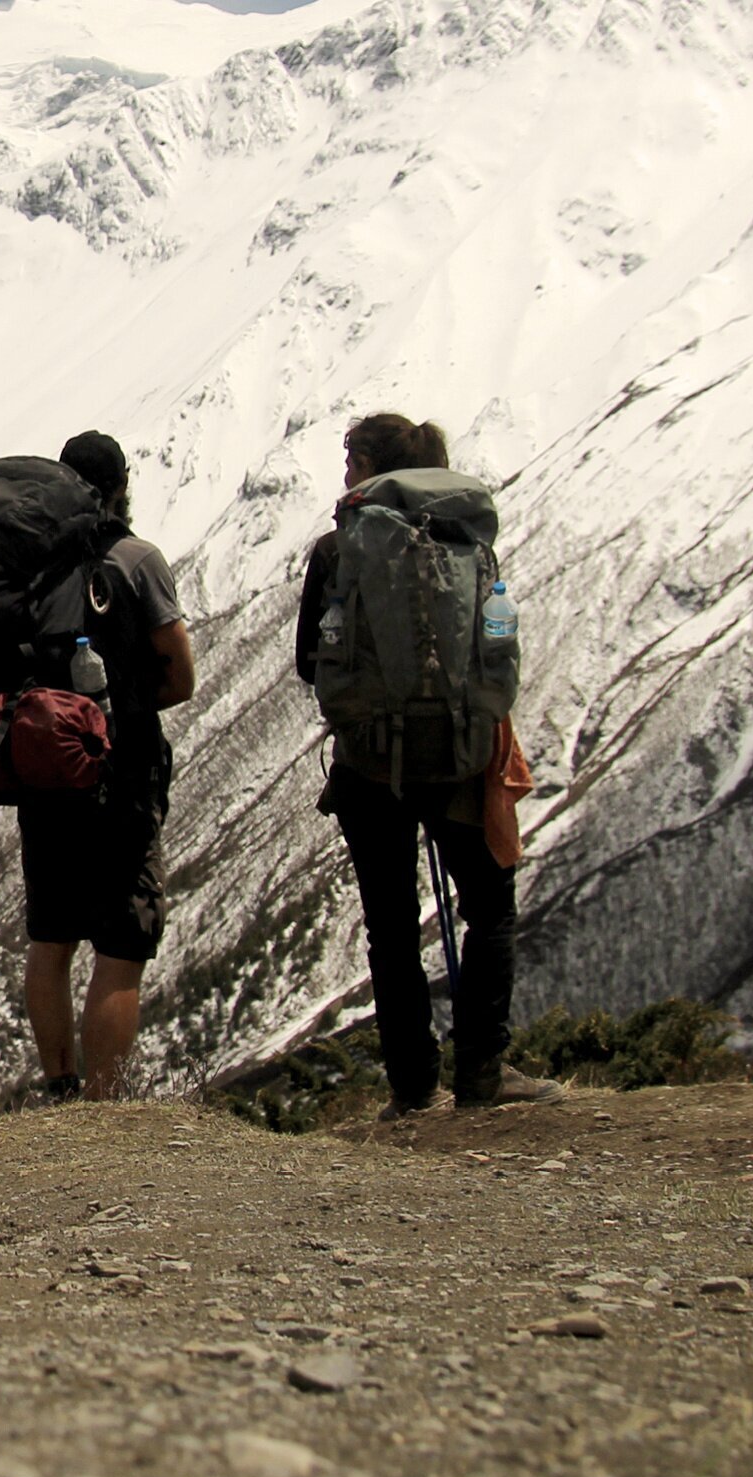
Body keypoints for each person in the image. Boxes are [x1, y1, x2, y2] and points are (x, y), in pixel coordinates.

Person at [294, 413, 560, 1116]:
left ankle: (411, 1088)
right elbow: (494, 641)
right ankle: (481, 1072)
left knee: (389, 927)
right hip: (462, 755)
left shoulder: (336, 548)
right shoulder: (469, 538)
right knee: (489, 913)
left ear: (367, 466)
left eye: (350, 457)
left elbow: (306, 662)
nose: (344, 470)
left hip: (369, 765)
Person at [18, 430, 195, 1101]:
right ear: (122, 483)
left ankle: (58, 1085)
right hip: (117, 772)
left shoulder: (30, 565)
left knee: (51, 933)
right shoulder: (137, 560)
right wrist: (118, 704)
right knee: (120, 944)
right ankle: (105, 1101)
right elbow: (178, 676)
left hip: (39, 766)